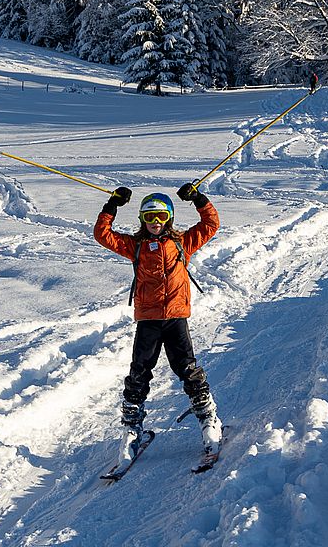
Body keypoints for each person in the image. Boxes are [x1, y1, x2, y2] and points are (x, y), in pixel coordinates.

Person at [94, 182, 223, 461]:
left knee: (187, 369)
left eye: (161, 216)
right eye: (149, 217)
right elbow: (102, 235)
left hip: (176, 318)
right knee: (139, 372)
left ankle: (208, 418)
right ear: (142, 219)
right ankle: (131, 427)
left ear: (170, 218)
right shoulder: (136, 246)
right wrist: (112, 206)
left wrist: (198, 198)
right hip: (149, 320)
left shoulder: (182, 243)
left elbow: (211, 223)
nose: (155, 222)